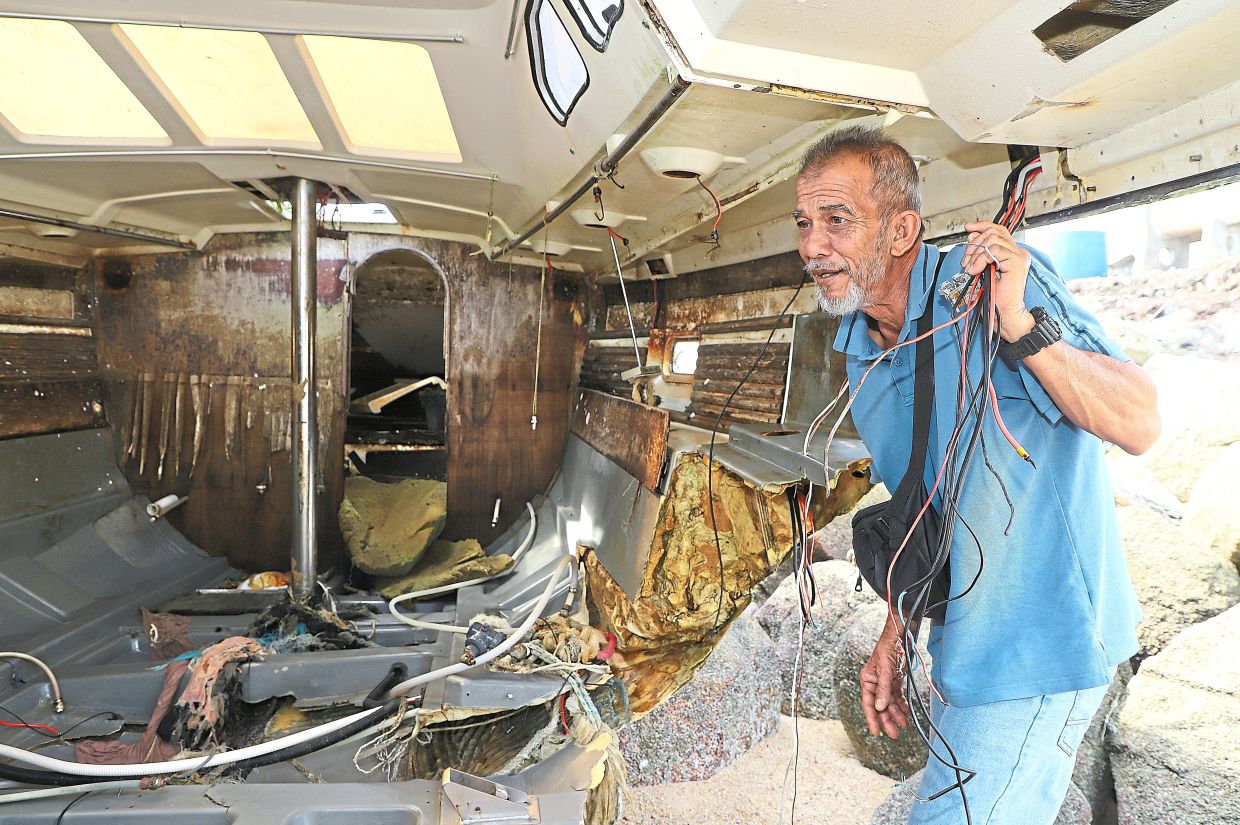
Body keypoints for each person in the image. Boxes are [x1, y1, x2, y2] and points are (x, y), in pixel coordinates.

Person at [792, 126, 1159, 824]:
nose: (813, 247)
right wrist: (897, 631)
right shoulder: (857, 352)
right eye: (806, 224)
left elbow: (1139, 420)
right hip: (966, 648)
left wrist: (1021, 324)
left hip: (1041, 648)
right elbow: (925, 508)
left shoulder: (995, 288)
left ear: (902, 230)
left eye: (838, 221)